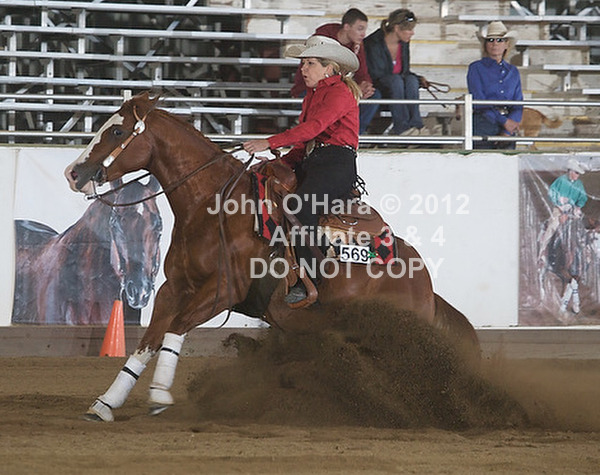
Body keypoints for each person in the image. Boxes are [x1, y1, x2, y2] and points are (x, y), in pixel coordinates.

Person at [243, 36, 361, 304]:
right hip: (314, 161)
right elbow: (304, 142)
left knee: (301, 207)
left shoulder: (340, 92)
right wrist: (279, 163)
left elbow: (312, 129)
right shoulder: (314, 95)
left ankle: (312, 279)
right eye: (303, 63)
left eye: (310, 63)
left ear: (329, 68)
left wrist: (269, 142)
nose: (303, 69)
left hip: (336, 164)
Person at [290, 8, 377, 134]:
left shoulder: (357, 45)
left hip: (336, 88)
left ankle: (355, 133)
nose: (363, 34)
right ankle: (342, 134)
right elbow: (311, 74)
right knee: (334, 101)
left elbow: (362, 71)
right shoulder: (322, 40)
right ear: (346, 27)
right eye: (360, 29)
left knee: (374, 95)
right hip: (311, 88)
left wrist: (365, 84)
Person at [363, 8, 426, 136]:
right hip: (379, 87)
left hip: (397, 87)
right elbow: (376, 74)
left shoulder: (403, 43)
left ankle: (416, 125)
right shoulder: (373, 43)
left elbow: (405, 72)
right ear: (397, 28)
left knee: (412, 80)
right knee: (396, 80)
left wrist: (419, 78)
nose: (412, 33)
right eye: (409, 29)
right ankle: (402, 128)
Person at [467, 21, 523, 149]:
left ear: (506, 44)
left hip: (507, 123)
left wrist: (508, 129)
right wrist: (505, 122)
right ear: (485, 44)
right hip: (484, 122)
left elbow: (518, 102)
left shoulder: (513, 71)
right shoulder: (476, 68)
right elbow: (479, 100)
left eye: (500, 40)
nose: (495, 43)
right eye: (491, 40)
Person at [538, 158, 588, 261]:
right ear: (570, 171)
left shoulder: (579, 184)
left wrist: (578, 206)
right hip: (559, 208)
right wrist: (559, 199)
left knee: (580, 226)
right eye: (576, 173)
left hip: (572, 209)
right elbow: (551, 192)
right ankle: (542, 251)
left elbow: (583, 197)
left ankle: (584, 252)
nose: (578, 175)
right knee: (553, 226)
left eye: (578, 173)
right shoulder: (561, 180)